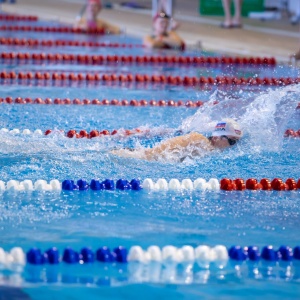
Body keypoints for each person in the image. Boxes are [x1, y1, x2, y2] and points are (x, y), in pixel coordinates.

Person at [111, 119, 243, 162]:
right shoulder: (199, 140)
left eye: (236, 142)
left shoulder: (210, 148)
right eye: (232, 141)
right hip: (145, 157)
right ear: (216, 137)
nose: (233, 146)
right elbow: (160, 151)